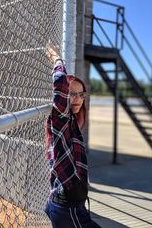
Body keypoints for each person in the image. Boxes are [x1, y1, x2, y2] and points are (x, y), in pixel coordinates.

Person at [44, 44, 102, 228]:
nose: (76, 98)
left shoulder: (73, 124)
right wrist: (57, 59)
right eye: (71, 94)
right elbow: (60, 84)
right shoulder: (61, 118)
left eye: (81, 94)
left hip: (73, 204)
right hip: (67, 207)